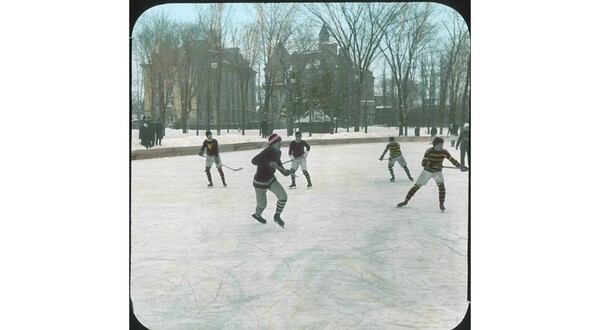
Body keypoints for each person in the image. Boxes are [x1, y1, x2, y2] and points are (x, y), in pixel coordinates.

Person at [397, 136, 467, 211]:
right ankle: (406, 201)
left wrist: (460, 166)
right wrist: (433, 164)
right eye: (439, 145)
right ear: (435, 145)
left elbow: (452, 160)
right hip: (427, 171)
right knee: (416, 186)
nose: (441, 147)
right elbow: (423, 163)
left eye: (442, 145)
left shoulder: (444, 151)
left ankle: (441, 204)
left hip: (437, 172)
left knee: (441, 187)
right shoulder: (429, 151)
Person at [251, 133, 291, 228]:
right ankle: (257, 215)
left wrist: (284, 172)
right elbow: (254, 161)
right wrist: (268, 163)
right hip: (260, 181)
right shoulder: (266, 152)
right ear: (273, 143)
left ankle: (277, 216)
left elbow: (278, 163)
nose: (280, 144)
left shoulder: (278, 152)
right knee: (262, 205)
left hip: (270, 179)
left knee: (283, 196)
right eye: (279, 142)